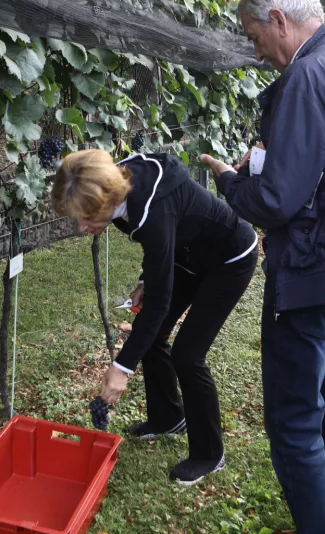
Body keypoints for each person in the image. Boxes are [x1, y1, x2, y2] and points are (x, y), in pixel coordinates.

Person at [199, 0, 325, 534]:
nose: (256, 51)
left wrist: (231, 181)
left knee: (293, 422)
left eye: (254, 36)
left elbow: (277, 200)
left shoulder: (307, 77)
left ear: (279, 20)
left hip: (314, 271)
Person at [52, 149, 258, 485]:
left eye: (86, 217)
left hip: (229, 258)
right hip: (187, 253)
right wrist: (148, 279)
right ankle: (168, 418)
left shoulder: (152, 209)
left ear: (109, 199)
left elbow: (159, 294)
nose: (81, 227)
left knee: (188, 355)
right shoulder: (117, 183)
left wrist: (121, 368)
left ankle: (209, 454)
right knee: (150, 334)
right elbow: (161, 243)